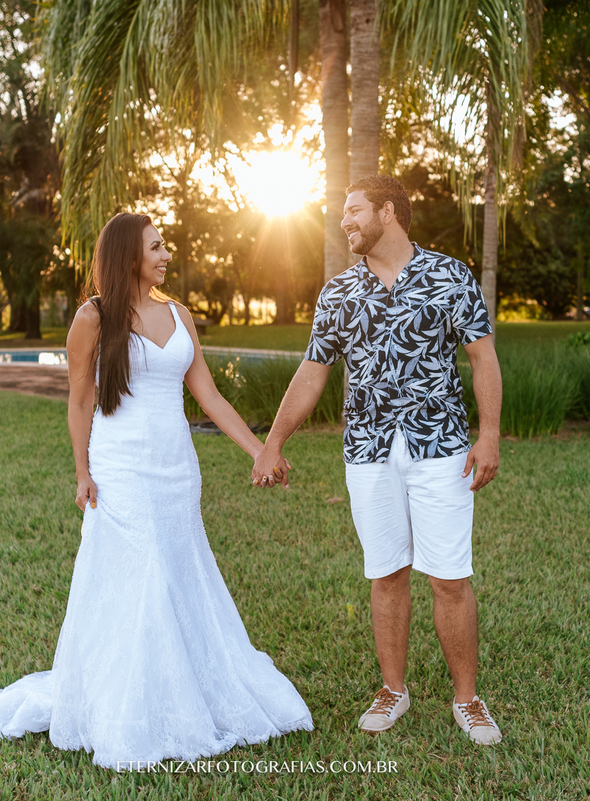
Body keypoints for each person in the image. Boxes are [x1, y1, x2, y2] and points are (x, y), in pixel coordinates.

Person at [0, 212, 312, 769]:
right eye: (156, 246)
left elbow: (209, 396)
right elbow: (80, 399)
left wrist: (260, 450)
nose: (167, 254)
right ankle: (130, 704)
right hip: (121, 469)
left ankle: (184, 684)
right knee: (141, 576)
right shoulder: (92, 318)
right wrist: (82, 472)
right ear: (128, 256)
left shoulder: (179, 313)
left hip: (176, 468)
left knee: (175, 570)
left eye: (165, 245)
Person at [252, 175, 505, 745]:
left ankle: (468, 700)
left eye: (354, 210)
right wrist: (274, 441)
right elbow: (312, 371)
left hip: (440, 447)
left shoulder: (449, 276)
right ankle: (394, 690)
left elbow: (482, 358)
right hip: (367, 451)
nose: (345, 221)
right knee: (386, 573)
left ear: (388, 212)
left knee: (449, 577)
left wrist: (488, 435)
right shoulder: (339, 292)